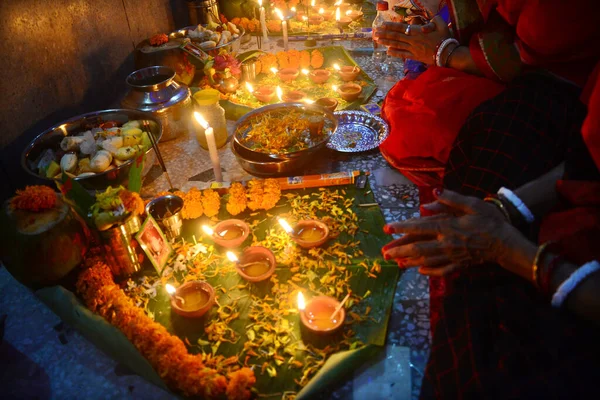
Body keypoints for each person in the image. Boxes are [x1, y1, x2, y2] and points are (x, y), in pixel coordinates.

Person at [381, 62, 600, 398]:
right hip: (573, 206)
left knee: (495, 342)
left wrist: (506, 249)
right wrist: (498, 210)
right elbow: (585, 165)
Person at [373, 0, 600, 190]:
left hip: (557, 88)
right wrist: (431, 32)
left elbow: (525, 58)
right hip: (489, 62)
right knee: (413, 107)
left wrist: (445, 53)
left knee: (429, 120)